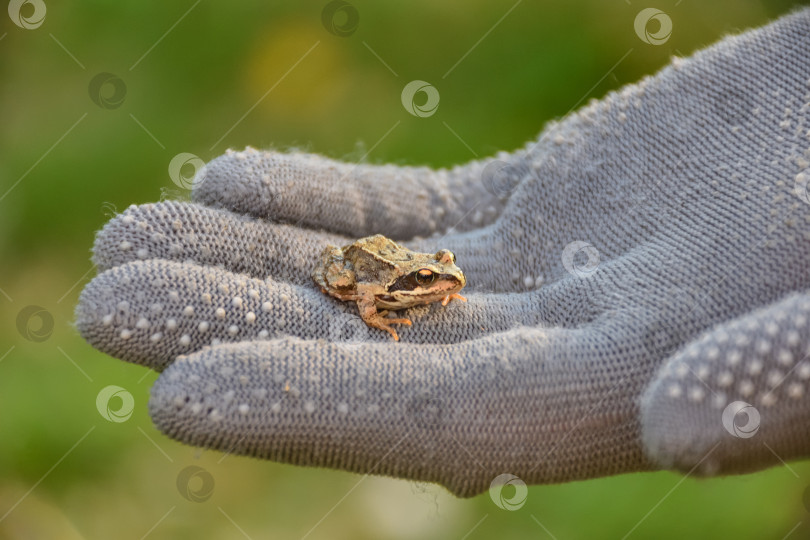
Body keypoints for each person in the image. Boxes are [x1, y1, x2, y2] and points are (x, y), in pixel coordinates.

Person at [76, 9, 810, 497]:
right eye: (437, 275)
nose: (447, 278)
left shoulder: (433, 283)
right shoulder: (396, 287)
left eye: (444, 274)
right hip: (363, 267)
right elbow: (364, 288)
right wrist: (384, 310)